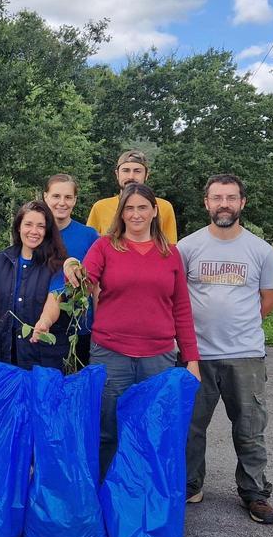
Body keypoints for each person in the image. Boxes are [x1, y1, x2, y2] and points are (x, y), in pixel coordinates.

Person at [57, 182, 201, 479]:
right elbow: (84, 280)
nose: (136, 214)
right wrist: (72, 265)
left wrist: (192, 360)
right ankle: (106, 494)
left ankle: (143, 496)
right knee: (108, 430)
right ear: (121, 213)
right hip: (111, 354)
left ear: (154, 211)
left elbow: (182, 309)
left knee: (151, 429)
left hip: (158, 357)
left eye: (142, 207)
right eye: (129, 208)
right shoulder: (105, 246)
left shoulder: (171, 254)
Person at [177, 174, 273, 524]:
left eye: (231, 197)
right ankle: (190, 485)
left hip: (245, 355)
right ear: (206, 203)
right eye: (217, 197)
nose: (224, 203)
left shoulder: (259, 250)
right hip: (197, 355)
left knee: (250, 426)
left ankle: (254, 493)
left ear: (242, 203)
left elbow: (270, 297)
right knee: (191, 426)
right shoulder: (187, 248)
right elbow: (176, 298)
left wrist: (241, 326)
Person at [0, 200, 69, 371]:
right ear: (19, 227)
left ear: (48, 231)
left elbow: (54, 301)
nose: (34, 231)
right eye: (28, 224)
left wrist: (45, 321)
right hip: (4, 353)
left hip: (42, 356)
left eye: (41, 226)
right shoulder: (1, 260)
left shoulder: (57, 265)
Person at [43, 173, 99, 368]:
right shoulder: (35, 233)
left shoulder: (89, 236)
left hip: (80, 327)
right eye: (56, 196)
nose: (62, 202)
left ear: (75, 200)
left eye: (68, 197)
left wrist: (98, 324)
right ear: (45, 197)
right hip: (42, 326)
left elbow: (98, 285)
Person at [85, 150, 178, 243]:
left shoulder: (164, 207)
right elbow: (89, 246)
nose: (131, 176)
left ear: (146, 175)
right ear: (117, 174)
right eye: (126, 170)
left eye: (137, 171)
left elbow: (170, 248)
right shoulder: (100, 207)